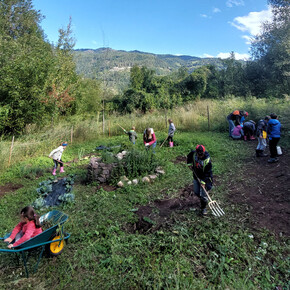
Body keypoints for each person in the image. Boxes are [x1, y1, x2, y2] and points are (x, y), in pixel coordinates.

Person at [187, 145, 213, 216]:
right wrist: (189, 164)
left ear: (203, 152)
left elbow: (207, 172)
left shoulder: (207, 160)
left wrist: (203, 182)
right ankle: (202, 199)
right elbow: (189, 156)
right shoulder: (194, 153)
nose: (200, 156)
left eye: (201, 154)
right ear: (197, 152)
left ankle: (203, 208)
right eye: (199, 154)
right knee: (196, 192)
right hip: (196, 176)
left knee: (204, 194)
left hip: (205, 178)